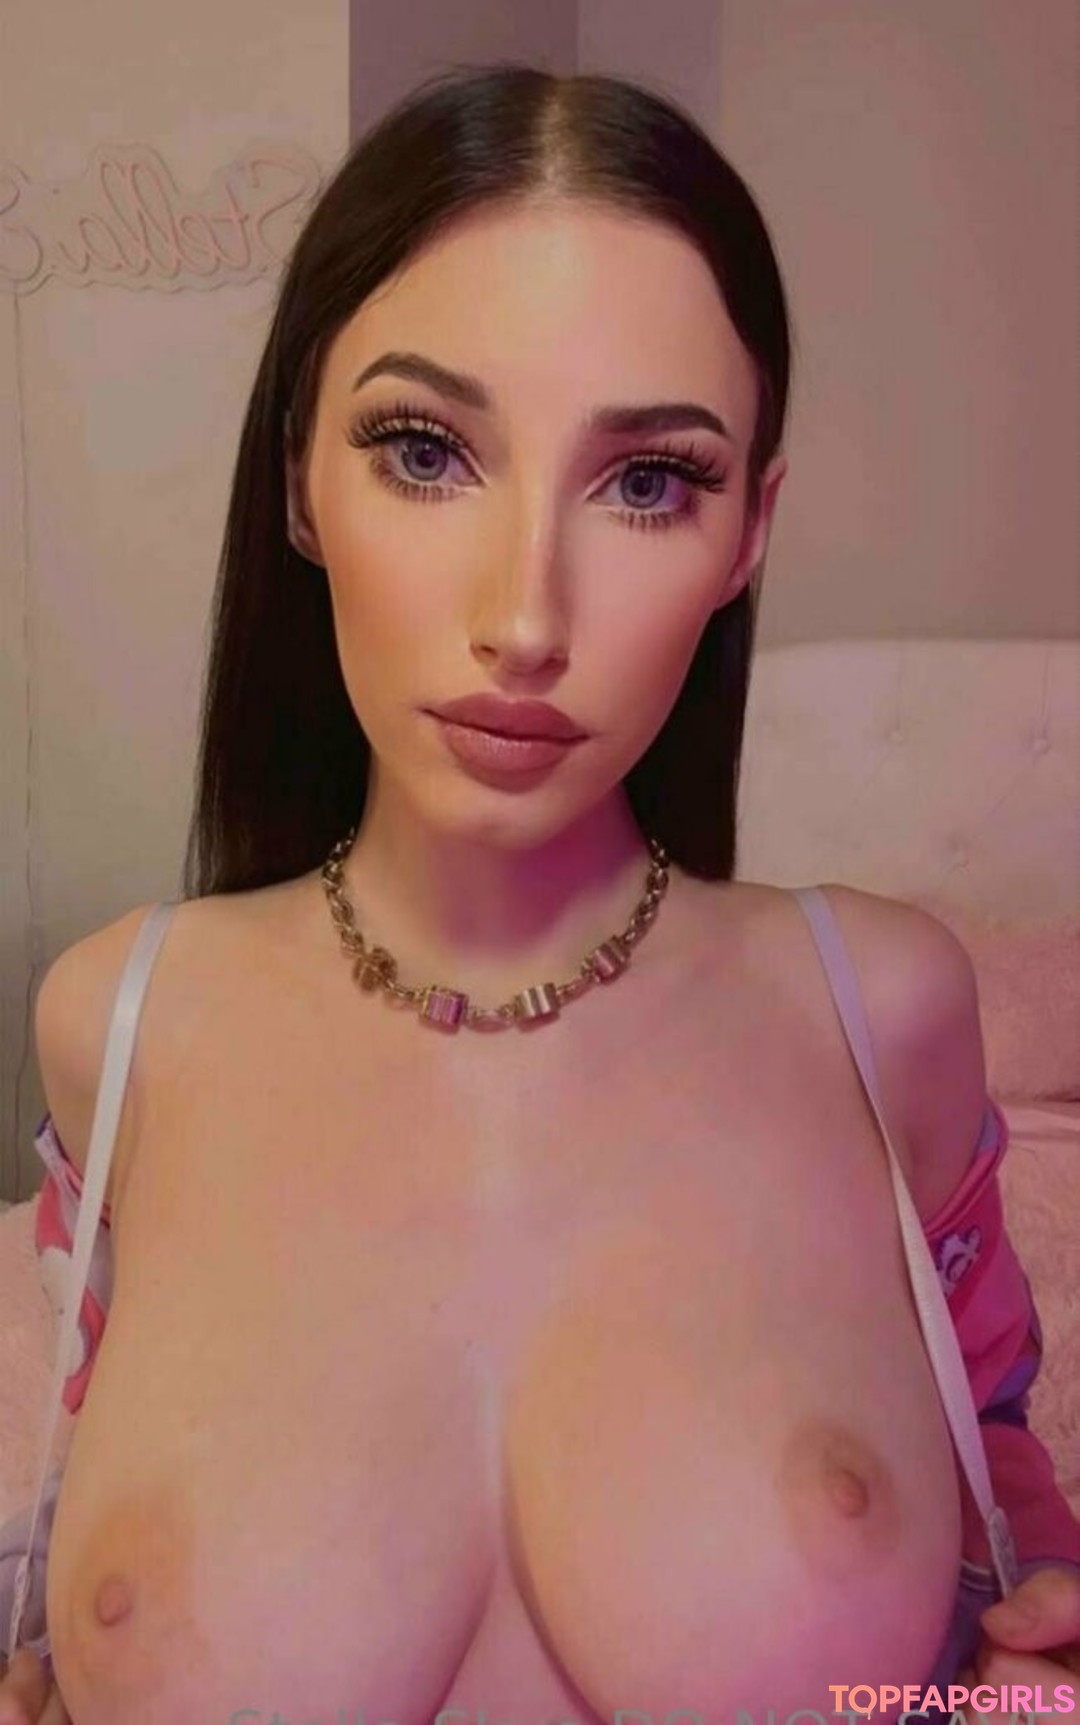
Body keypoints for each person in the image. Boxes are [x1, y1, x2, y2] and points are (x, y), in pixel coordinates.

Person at [1, 61, 1078, 1725]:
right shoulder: (115, 1024)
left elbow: (1001, 1587)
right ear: (299, 480)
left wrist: (1018, 1697)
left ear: (748, 535)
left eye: (649, 482)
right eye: (425, 449)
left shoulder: (886, 1015)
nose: (525, 617)